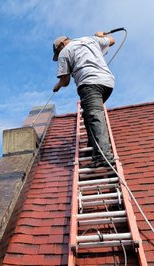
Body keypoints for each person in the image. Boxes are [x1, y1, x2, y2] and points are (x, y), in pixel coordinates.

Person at [52, 32, 115, 168]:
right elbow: (111, 40)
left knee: (94, 117)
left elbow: (65, 80)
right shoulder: (90, 40)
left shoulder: (65, 51)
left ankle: (103, 157)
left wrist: (57, 86)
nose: (59, 54)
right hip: (107, 83)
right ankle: (93, 146)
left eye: (58, 52)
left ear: (62, 44)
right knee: (88, 114)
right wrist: (100, 34)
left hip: (89, 83)